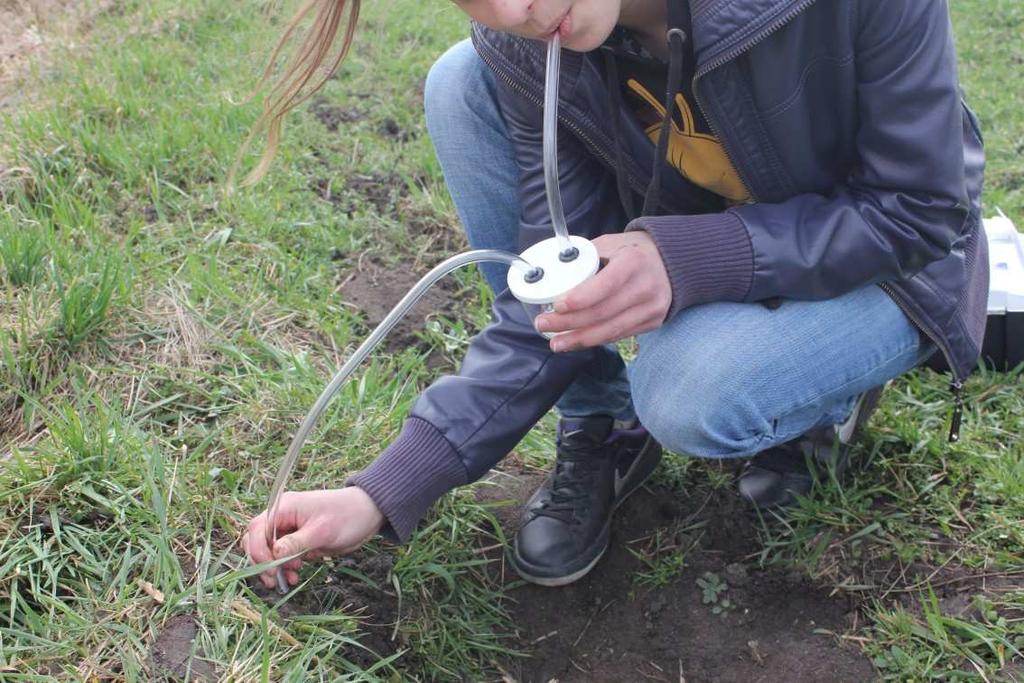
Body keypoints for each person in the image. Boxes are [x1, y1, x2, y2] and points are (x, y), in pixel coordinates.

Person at [242, 0, 987, 589]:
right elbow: (547, 284)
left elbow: (920, 208)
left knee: (688, 390)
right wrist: (382, 490)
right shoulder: (536, 41)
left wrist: (688, 257)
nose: (516, 9)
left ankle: (824, 402)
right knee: (459, 83)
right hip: (729, 244)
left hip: (894, 265)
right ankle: (599, 424)